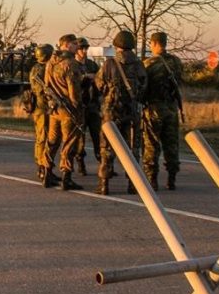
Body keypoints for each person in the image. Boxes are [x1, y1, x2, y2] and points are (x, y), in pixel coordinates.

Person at [94, 30, 147, 195]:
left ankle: (104, 184)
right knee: (133, 148)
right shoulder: (139, 64)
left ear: (117, 45)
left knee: (107, 147)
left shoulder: (109, 64)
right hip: (131, 110)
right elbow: (144, 86)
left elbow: (99, 84)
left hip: (111, 111)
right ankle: (133, 184)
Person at [142, 31, 184, 191]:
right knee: (171, 144)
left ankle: (152, 178)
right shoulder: (176, 62)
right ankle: (171, 178)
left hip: (153, 108)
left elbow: (143, 87)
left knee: (151, 144)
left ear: (153, 43)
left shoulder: (148, 64)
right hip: (171, 108)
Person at [43, 34, 85, 191]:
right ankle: (66, 176)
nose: (77, 47)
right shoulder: (70, 64)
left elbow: (46, 85)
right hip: (68, 110)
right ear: (66, 45)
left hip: (54, 109)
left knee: (52, 141)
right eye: (74, 44)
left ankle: (47, 172)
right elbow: (74, 92)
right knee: (69, 143)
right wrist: (78, 107)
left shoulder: (50, 62)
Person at [29, 44, 58, 184]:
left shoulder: (37, 68)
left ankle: (44, 167)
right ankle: (42, 167)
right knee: (43, 138)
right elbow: (43, 90)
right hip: (43, 108)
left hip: (42, 108)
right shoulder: (40, 70)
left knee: (43, 138)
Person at [74, 36, 101, 176]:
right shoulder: (72, 65)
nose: (84, 51)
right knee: (80, 138)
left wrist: (95, 78)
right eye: (81, 49)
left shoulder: (92, 65)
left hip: (93, 106)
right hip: (80, 106)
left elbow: (101, 79)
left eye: (86, 48)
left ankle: (103, 164)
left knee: (98, 136)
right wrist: (83, 78)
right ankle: (80, 163)